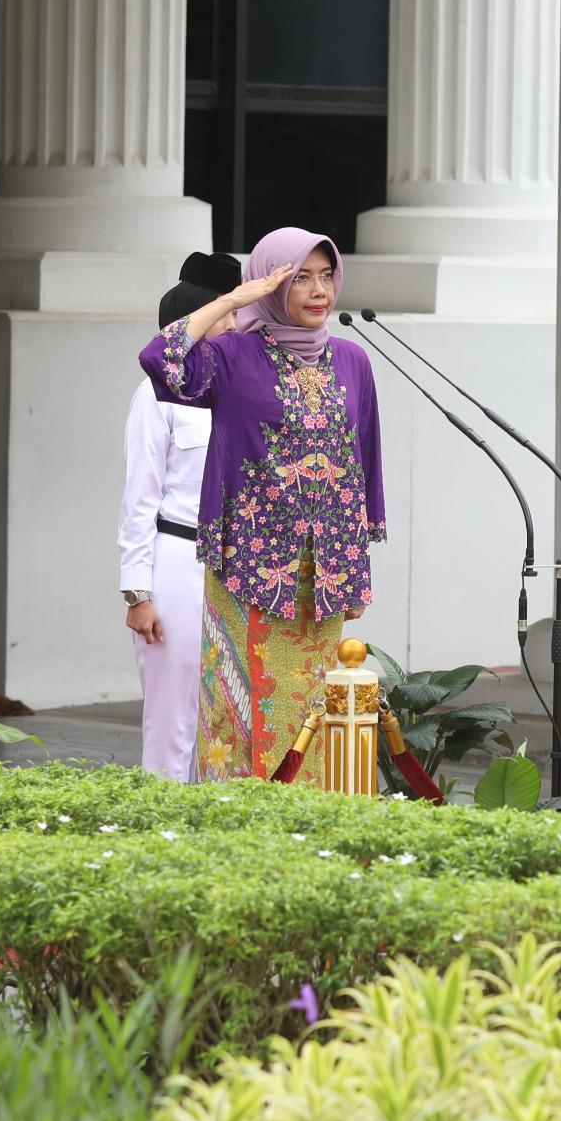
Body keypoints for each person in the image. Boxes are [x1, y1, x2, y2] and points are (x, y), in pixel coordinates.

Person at [140, 230, 384, 783]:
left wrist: (354, 568)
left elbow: (361, 458)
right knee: (243, 709)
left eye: (326, 275)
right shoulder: (233, 354)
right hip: (247, 565)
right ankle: (241, 831)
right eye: (300, 276)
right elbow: (160, 359)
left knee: (313, 707)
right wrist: (231, 301)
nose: (318, 290)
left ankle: (309, 830)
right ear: (269, 281)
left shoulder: (352, 360)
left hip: (321, 576)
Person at [119, 251, 237, 780]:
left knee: (231, 709)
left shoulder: (242, 390)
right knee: (173, 714)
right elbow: (140, 497)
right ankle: (160, 827)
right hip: (176, 560)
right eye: (224, 314)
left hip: (238, 565)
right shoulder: (156, 395)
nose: (235, 324)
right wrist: (138, 594)